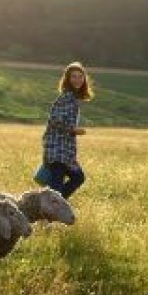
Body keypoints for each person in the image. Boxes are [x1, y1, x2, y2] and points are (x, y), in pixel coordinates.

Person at [40, 61, 93, 199]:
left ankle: (54, 206)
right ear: (67, 79)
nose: (77, 80)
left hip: (65, 151)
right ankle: (52, 208)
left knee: (77, 178)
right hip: (57, 149)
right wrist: (73, 130)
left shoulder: (73, 97)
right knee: (59, 187)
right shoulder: (66, 97)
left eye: (80, 76)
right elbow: (55, 120)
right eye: (73, 77)